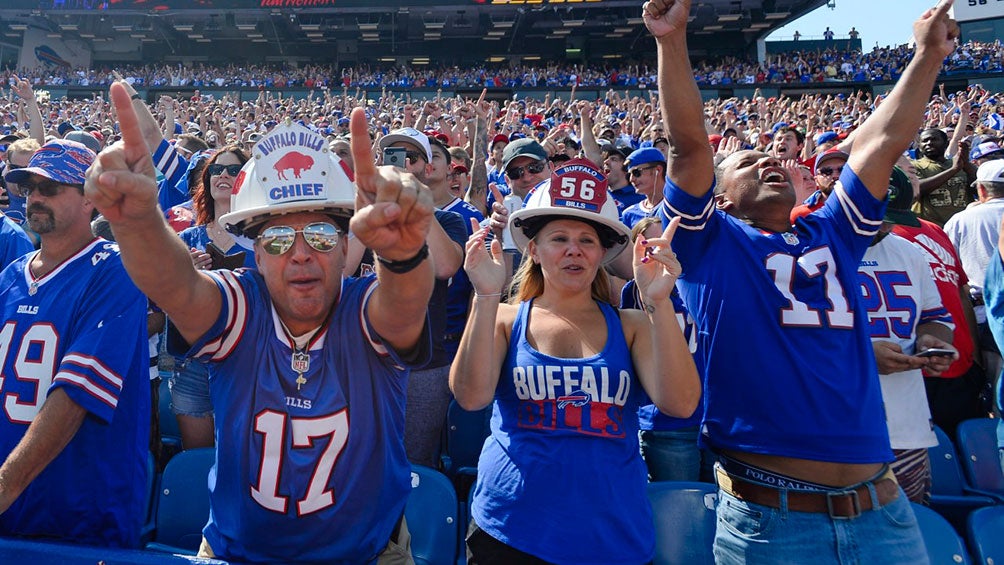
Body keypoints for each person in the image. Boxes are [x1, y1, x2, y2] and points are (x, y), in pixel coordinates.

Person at [646, 0, 958, 562]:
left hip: (883, 512)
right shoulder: (708, 242)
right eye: (746, 162)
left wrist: (928, 56)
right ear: (718, 198)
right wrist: (672, 41)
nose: (766, 161)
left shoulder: (834, 232)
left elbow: (879, 144)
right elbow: (689, 146)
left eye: (772, 157)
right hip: (772, 520)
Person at [86, 82, 435, 563]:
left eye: (318, 234)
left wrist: (403, 256)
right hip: (237, 553)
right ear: (252, 251)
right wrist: (139, 224)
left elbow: (404, 307)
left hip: (368, 554)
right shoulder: (240, 305)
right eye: (275, 240)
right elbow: (178, 288)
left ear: (345, 244)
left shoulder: (364, 311)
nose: (299, 255)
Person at [451, 156, 700, 564]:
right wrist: (484, 294)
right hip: (510, 529)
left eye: (587, 240)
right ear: (533, 249)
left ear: (602, 253)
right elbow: (471, 397)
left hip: (613, 531)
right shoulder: (503, 317)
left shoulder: (633, 323)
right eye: (559, 238)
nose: (573, 250)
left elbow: (681, 403)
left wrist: (658, 302)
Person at [0, 139, 150, 548]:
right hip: (10, 508)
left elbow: (77, 394)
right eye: (29, 188)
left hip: (78, 510)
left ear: (89, 200)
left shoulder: (117, 269)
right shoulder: (11, 275)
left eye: (50, 188)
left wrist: (4, 486)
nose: (35, 198)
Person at [860, 167, 956, 504]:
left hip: (907, 423)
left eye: (893, 218)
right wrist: (862, 355)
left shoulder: (908, 251)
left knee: (911, 535)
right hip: (840, 428)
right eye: (879, 217)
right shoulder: (809, 250)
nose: (885, 226)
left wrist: (933, 341)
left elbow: (935, 315)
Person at [171, 145, 257, 450]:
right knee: (198, 459)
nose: (224, 174)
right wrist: (186, 276)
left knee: (243, 459)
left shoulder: (264, 238)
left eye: (234, 170)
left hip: (248, 363)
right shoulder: (185, 239)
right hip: (194, 363)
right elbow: (167, 303)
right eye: (217, 169)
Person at [911, 127, 974, 226]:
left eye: (934, 139)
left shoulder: (961, 163)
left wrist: (966, 163)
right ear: (919, 146)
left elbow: (981, 188)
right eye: (924, 141)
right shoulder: (913, 166)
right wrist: (953, 170)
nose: (929, 143)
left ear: (946, 143)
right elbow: (917, 188)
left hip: (962, 226)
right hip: (930, 228)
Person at [621, 147, 668, 229]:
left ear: (658, 170)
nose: (631, 179)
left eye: (636, 172)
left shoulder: (676, 207)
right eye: (629, 175)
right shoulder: (629, 214)